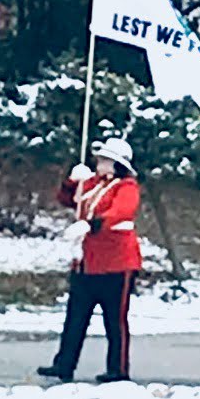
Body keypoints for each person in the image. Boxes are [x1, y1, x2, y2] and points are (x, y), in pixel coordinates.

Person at [39, 138, 142, 383]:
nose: (100, 163)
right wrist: (72, 182)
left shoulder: (126, 187)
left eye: (105, 160)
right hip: (87, 261)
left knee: (114, 321)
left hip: (116, 262)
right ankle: (64, 364)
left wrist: (91, 224)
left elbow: (120, 213)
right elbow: (68, 201)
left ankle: (118, 368)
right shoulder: (93, 184)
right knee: (75, 316)